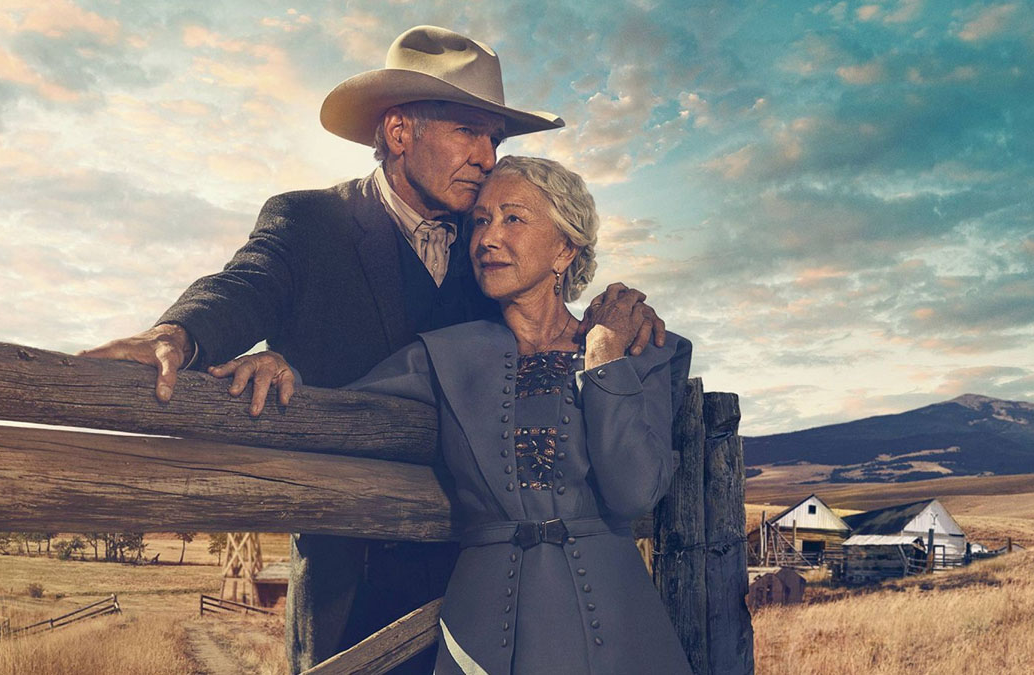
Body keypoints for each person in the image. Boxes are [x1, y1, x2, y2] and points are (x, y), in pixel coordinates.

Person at [81, 26, 671, 673]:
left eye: (494, 139)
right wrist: (180, 334)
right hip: (347, 579)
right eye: (469, 131)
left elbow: (542, 345)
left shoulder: (492, 256)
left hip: (475, 589)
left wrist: (612, 334)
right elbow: (246, 285)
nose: (485, 154)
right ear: (399, 133)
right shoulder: (310, 222)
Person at [223, 156, 694, 673]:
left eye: (513, 218)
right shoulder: (442, 355)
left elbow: (634, 491)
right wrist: (282, 363)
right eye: (480, 221)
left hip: (616, 622)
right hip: (484, 623)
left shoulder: (639, 348)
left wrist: (603, 358)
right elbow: (340, 410)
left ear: (565, 247)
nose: (487, 238)